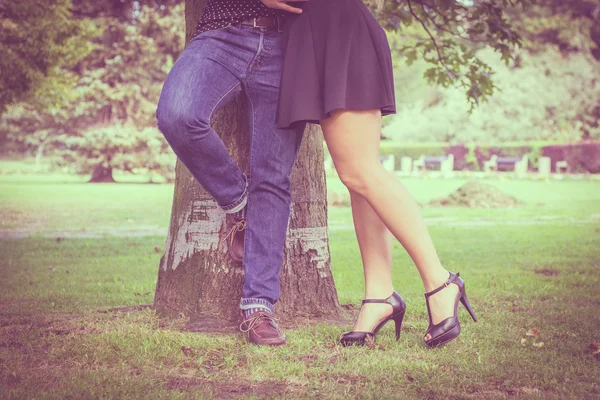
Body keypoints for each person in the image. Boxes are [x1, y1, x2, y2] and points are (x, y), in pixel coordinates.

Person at [277, 0, 478, 347]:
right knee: (358, 180)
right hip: (318, 30)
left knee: (361, 173)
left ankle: (441, 282)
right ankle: (379, 295)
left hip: (337, 29)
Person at [156, 0, 308, 346]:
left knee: (272, 177)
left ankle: (259, 306)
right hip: (222, 33)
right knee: (178, 115)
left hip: (291, 47)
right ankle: (239, 205)